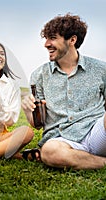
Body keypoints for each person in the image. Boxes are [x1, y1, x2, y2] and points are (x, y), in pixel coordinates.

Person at [21, 13, 106, 170]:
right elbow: (38, 124)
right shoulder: (39, 75)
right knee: (49, 152)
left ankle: (85, 159)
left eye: (52, 38)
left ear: (72, 40)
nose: (46, 44)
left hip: (97, 134)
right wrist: (28, 111)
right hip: (62, 141)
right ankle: (100, 162)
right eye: (46, 38)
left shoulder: (101, 69)